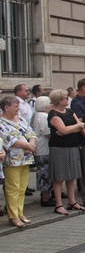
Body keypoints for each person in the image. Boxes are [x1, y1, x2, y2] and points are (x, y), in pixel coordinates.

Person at [48, 90, 85, 215]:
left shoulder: (70, 111)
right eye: (65, 98)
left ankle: (72, 201)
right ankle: (58, 204)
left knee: (72, 175)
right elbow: (64, 130)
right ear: (59, 100)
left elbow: (81, 125)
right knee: (59, 176)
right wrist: (71, 129)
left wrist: (69, 129)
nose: (67, 100)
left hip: (72, 145)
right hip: (59, 148)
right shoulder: (53, 114)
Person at [0, 97, 36, 228]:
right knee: (13, 188)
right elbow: (9, 140)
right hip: (12, 160)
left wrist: (31, 143)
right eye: (15, 107)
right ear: (6, 107)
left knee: (22, 188)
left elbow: (31, 132)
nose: (18, 109)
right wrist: (28, 145)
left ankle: (20, 212)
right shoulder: (1, 122)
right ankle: (13, 215)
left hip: (25, 159)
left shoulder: (20, 119)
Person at [32, 96, 54, 207]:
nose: (51, 106)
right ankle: (46, 197)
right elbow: (48, 132)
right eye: (50, 104)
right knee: (45, 173)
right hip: (44, 148)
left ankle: (46, 195)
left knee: (43, 172)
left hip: (39, 148)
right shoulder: (44, 116)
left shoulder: (36, 115)